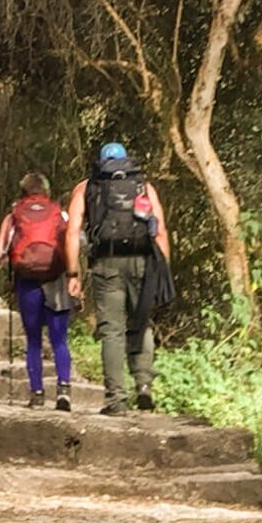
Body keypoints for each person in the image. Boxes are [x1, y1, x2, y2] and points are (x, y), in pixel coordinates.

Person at [64, 142, 169, 415]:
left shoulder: (86, 187)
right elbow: (160, 230)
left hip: (106, 263)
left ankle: (116, 400)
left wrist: (72, 273)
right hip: (142, 261)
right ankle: (144, 386)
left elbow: (72, 232)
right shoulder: (142, 186)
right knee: (141, 322)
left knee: (112, 330)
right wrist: (163, 270)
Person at [0, 172, 75, 410]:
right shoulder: (58, 212)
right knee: (59, 340)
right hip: (56, 279)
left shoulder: (14, 214)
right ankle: (63, 390)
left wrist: (8, 260)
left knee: (33, 340)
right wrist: (74, 276)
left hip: (27, 281)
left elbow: (0, 250)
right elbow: (72, 242)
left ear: (24, 191)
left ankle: (37, 394)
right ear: (46, 190)